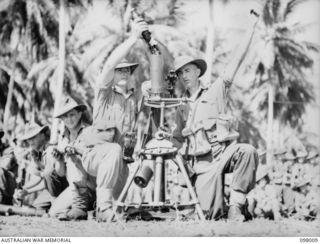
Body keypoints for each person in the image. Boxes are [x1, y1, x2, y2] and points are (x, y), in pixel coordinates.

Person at [174, 15, 260, 221]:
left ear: (197, 72)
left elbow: (236, 60)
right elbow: (176, 138)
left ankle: (236, 206)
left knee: (247, 151)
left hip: (223, 154)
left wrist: (251, 28)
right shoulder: (180, 107)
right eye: (179, 73)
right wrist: (181, 162)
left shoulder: (216, 90)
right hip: (201, 165)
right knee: (209, 215)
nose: (184, 76)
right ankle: (222, 202)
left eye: (187, 70)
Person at [48, 96, 96, 221]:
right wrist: (58, 160)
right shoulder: (63, 138)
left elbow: (96, 162)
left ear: (80, 113)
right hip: (75, 188)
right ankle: (90, 208)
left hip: (92, 183)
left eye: (72, 114)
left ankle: (81, 207)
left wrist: (76, 153)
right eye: (65, 116)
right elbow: (61, 173)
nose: (69, 119)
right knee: (54, 212)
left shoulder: (90, 132)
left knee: (73, 158)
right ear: (62, 119)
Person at [14, 122, 68, 211]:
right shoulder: (36, 153)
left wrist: (28, 191)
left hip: (63, 188)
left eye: (33, 137)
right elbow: (37, 178)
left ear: (42, 136)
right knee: (37, 208)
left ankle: (57, 206)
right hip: (51, 190)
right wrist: (24, 189)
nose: (30, 141)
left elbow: (49, 178)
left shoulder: (50, 150)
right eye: (28, 139)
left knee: (52, 210)